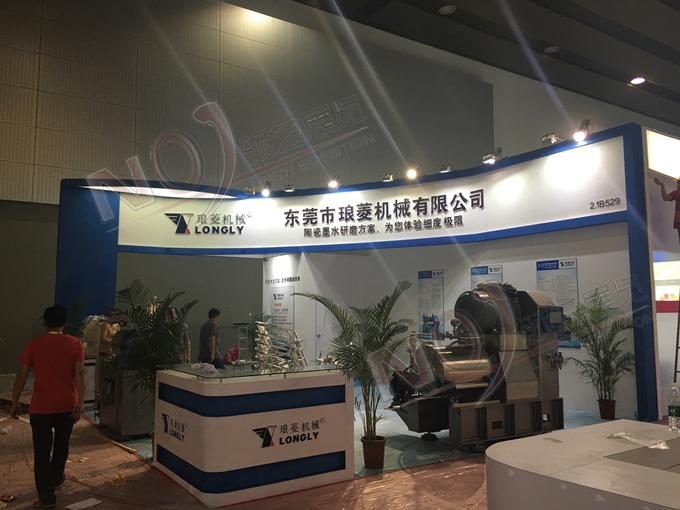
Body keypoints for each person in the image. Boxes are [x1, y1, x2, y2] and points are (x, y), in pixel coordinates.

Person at [10, 305, 86, 510]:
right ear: (65, 323)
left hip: (40, 407)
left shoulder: (33, 344)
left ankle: (46, 497)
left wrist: (15, 403)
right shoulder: (75, 344)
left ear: (44, 323)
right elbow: (80, 374)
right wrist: (80, 403)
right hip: (66, 405)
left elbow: (21, 375)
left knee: (41, 452)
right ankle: (56, 477)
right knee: (62, 446)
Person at [654, 177, 680, 242]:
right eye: (677, 184)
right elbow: (666, 198)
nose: (677, 186)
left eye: (679, 184)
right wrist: (662, 185)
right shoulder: (676, 193)